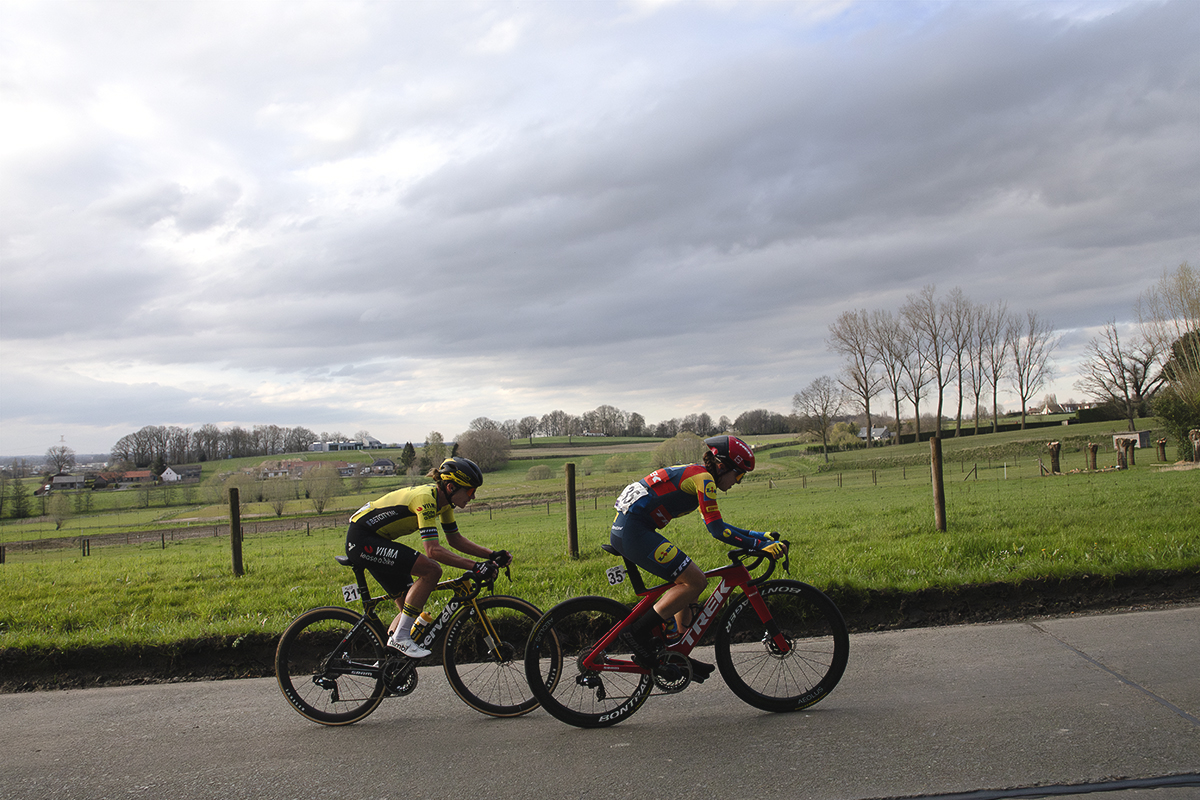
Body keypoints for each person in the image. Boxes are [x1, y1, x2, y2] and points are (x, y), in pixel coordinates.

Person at [609, 435, 787, 677]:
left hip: (631, 530)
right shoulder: (704, 480)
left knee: (689, 577)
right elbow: (717, 531)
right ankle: (636, 632)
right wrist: (757, 545)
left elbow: (718, 523)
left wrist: (759, 536)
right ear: (723, 466)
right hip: (634, 533)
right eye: (739, 475)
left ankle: (677, 651)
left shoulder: (697, 475)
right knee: (695, 581)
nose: (738, 482)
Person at [344, 456, 512, 658]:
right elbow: (433, 551)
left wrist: (492, 555)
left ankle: (389, 661)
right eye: (470, 491)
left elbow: (455, 539)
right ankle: (401, 639)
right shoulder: (426, 499)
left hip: (375, 540)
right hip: (362, 539)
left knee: (410, 604)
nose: (473, 496)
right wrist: (476, 567)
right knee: (432, 569)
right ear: (451, 487)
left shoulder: (444, 503)